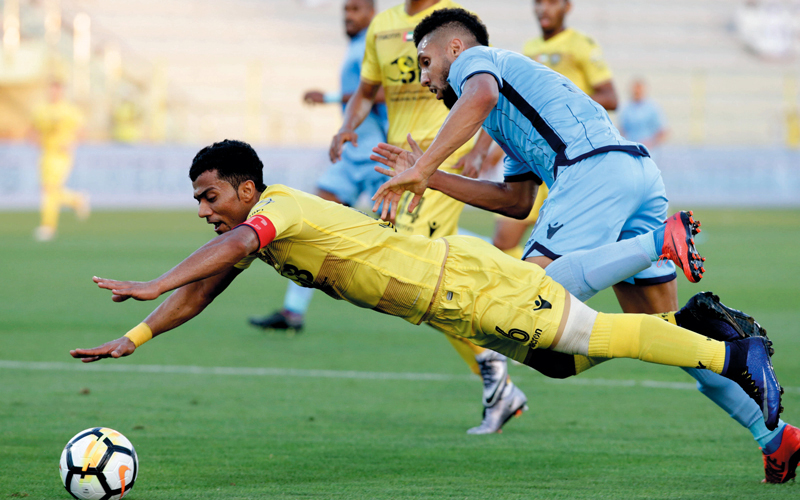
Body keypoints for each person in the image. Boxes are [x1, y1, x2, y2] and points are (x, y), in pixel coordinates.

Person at [70, 140, 783, 443]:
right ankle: (696, 320)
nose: (205, 209)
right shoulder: (269, 232)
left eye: (209, 195)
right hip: (453, 298)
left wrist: (151, 280)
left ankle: (731, 354)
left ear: (246, 189)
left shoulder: (278, 209)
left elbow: (229, 246)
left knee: (593, 337)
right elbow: (205, 290)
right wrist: (134, 336)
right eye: (199, 200)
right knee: (567, 361)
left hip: (465, 284)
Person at [369, 8, 799, 482]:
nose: (423, 76)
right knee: (675, 338)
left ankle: (658, 241)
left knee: (525, 301)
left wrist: (424, 166)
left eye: (426, 61)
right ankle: (777, 438)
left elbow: (481, 94)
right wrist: (433, 180)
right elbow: (516, 200)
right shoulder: (502, 110)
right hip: (633, 173)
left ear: (455, 49)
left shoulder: (478, 63)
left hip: (592, 172)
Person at [328, 0, 519, 435]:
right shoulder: (383, 26)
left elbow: (485, 87)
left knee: (407, 268)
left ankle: (494, 360)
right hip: (399, 161)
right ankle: (492, 359)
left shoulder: (454, 24)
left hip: (437, 162)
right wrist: (347, 124)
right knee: (423, 276)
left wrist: (481, 147)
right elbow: (367, 89)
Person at [248, 0, 389, 334]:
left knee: (408, 231)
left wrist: (327, 98)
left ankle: (494, 249)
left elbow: (383, 92)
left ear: (372, 11)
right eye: (345, 11)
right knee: (309, 224)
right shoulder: (358, 46)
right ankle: (292, 312)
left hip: (377, 151)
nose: (348, 17)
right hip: (353, 152)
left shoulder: (378, 42)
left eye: (355, 10)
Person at [492, 0, 619, 260]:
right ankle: (524, 290)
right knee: (503, 241)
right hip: (533, 155)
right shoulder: (530, 49)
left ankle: (545, 293)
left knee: (555, 251)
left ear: (567, 7)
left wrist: (561, 101)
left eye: (551, 3)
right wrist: (497, 147)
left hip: (569, 160)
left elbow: (611, 97)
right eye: (538, 3)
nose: (543, 9)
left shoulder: (580, 45)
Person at [31, 79, 90, 242]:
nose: (53, 93)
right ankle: (76, 199)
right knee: (48, 189)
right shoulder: (41, 110)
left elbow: (82, 130)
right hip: (46, 153)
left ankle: (48, 226)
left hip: (61, 155)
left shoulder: (69, 110)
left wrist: (72, 143)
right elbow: (33, 129)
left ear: (61, 92)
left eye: (56, 90)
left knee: (50, 189)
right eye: (51, 90)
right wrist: (34, 139)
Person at [618, 78, 668, 149]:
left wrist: (651, 143)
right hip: (631, 149)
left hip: (650, 151)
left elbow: (663, 131)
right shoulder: (626, 108)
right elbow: (621, 130)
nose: (637, 92)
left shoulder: (653, 108)